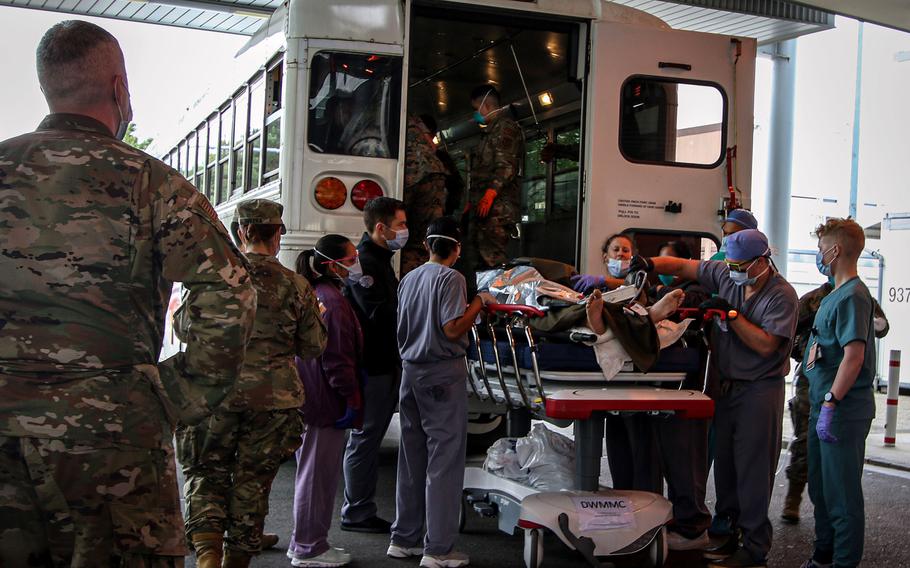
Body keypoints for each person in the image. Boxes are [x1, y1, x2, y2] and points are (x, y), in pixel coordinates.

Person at [0, 20, 256, 566]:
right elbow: (230, 295)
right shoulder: (152, 182)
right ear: (119, 89)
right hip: (114, 439)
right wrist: (174, 396)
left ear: (48, 86)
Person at [635, 229, 798, 568]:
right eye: (730, 264)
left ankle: (755, 547)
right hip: (726, 386)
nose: (734, 271)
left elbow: (768, 345)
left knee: (753, 472)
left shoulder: (781, 295)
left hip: (760, 390)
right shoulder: (727, 274)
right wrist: (647, 262)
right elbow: (683, 265)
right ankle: (728, 533)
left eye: (740, 265)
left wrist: (732, 317)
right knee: (725, 467)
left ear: (761, 261)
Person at [177, 199, 327, 568]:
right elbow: (313, 347)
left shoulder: (212, 275)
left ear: (240, 232)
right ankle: (236, 559)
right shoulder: (297, 285)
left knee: (205, 474)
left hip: (214, 396)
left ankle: (208, 557)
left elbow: (184, 329)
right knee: (252, 484)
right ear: (277, 235)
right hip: (272, 401)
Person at [388, 217, 495, 568]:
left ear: (427, 244)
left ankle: (404, 539)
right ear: (456, 248)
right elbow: (451, 329)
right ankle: (439, 549)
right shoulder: (452, 278)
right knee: (444, 462)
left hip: (410, 372)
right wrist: (479, 303)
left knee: (412, 456)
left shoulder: (409, 278)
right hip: (441, 374)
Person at [798, 219, 878, 568]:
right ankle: (824, 557)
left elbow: (854, 356)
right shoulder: (835, 294)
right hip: (822, 407)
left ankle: (843, 563)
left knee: (843, 499)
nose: (818, 255)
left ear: (836, 250)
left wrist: (831, 402)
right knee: (821, 490)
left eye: (821, 249)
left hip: (841, 411)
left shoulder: (854, 296)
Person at [782, 276, 888, 524]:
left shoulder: (861, 298)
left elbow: (882, 328)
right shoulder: (814, 298)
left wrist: (871, 323)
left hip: (846, 383)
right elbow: (789, 328)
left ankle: (834, 517)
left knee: (838, 456)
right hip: (812, 379)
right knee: (805, 441)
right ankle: (794, 498)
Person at [289, 236, 365, 567]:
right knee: (317, 476)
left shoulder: (317, 295)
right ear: (331, 265)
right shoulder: (332, 302)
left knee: (312, 473)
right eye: (351, 258)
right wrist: (351, 397)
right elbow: (336, 359)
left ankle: (306, 541)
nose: (356, 263)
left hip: (312, 395)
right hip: (325, 400)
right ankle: (308, 546)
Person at [341, 197, 408, 534]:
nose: (405, 231)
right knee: (365, 438)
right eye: (400, 225)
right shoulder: (364, 263)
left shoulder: (379, 260)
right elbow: (379, 314)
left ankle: (359, 508)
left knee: (367, 437)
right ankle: (356, 512)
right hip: (374, 365)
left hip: (384, 362)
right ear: (380, 228)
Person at [466, 84, 525, 270]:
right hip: (484, 208)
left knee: (493, 259)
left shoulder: (505, 128)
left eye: (477, 109)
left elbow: (506, 166)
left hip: (498, 210)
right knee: (479, 259)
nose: (476, 114)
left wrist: (490, 194)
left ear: (487, 105)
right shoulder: (488, 133)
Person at [401, 114, 448, 275]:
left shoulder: (399, 122)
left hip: (415, 176)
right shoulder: (418, 125)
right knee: (427, 237)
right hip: (434, 177)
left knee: (409, 238)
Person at [571, 233, 639, 293]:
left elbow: (635, 285)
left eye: (625, 250)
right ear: (605, 257)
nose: (620, 253)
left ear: (632, 256)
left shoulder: (639, 280)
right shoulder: (599, 289)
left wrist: (603, 280)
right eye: (616, 250)